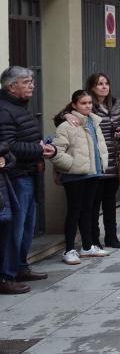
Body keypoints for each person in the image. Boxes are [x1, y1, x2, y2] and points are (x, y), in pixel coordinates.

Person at [55, 73, 120, 248]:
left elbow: (119, 125)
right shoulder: (87, 105)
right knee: (93, 206)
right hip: (93, 162)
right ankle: (93, 240)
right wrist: (66, 116)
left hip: (111, 159)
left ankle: (111, 237)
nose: (104, 86)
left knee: (110, 203)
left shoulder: (115, 104)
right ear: (92, 87)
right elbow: (60, 118)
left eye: (106, 83)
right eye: (99, 84)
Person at [0, 67, 55, 294]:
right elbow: (9, 146)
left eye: (32, 81)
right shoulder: (4, 110)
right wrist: (38, 150)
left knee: (27, 226)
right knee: (14, 228)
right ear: (11, 86)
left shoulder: (19, 107)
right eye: (26, 82)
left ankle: (21, 266)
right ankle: (6, 275)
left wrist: (46, 148)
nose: (32, 85)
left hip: (30, 173)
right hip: (16, 177)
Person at [52, 90, 111, 264]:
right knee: (74, 211)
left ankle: (87, 246)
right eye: (83, 103)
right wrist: (71, 165)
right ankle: (69, 250)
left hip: (93, 173)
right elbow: (57, 152)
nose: (88, 106)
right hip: (75, 176)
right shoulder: (66, 125)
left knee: (88, 210)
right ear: (74, 105)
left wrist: (102, 162)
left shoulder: (94, 122)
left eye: (90, 103)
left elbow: (99, 145)